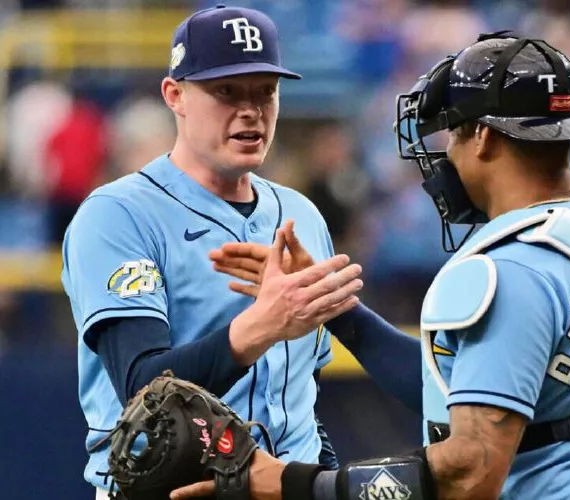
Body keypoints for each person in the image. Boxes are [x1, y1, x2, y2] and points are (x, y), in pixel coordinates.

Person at [171, 32, 570, 500]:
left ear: (483, 137)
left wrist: (291, 483)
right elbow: (470, 389)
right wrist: (337, 311)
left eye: (454, 135)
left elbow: (470, 472)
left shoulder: (505, 269)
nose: (447, 155)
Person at [60, 5, 363, 499]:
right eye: (226, 91)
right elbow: (142, 387)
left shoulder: (301, 214)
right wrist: (262, 324)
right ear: (175, 95)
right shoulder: (118, 213)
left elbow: (300, 393)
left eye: (265, 90)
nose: (251, 109)